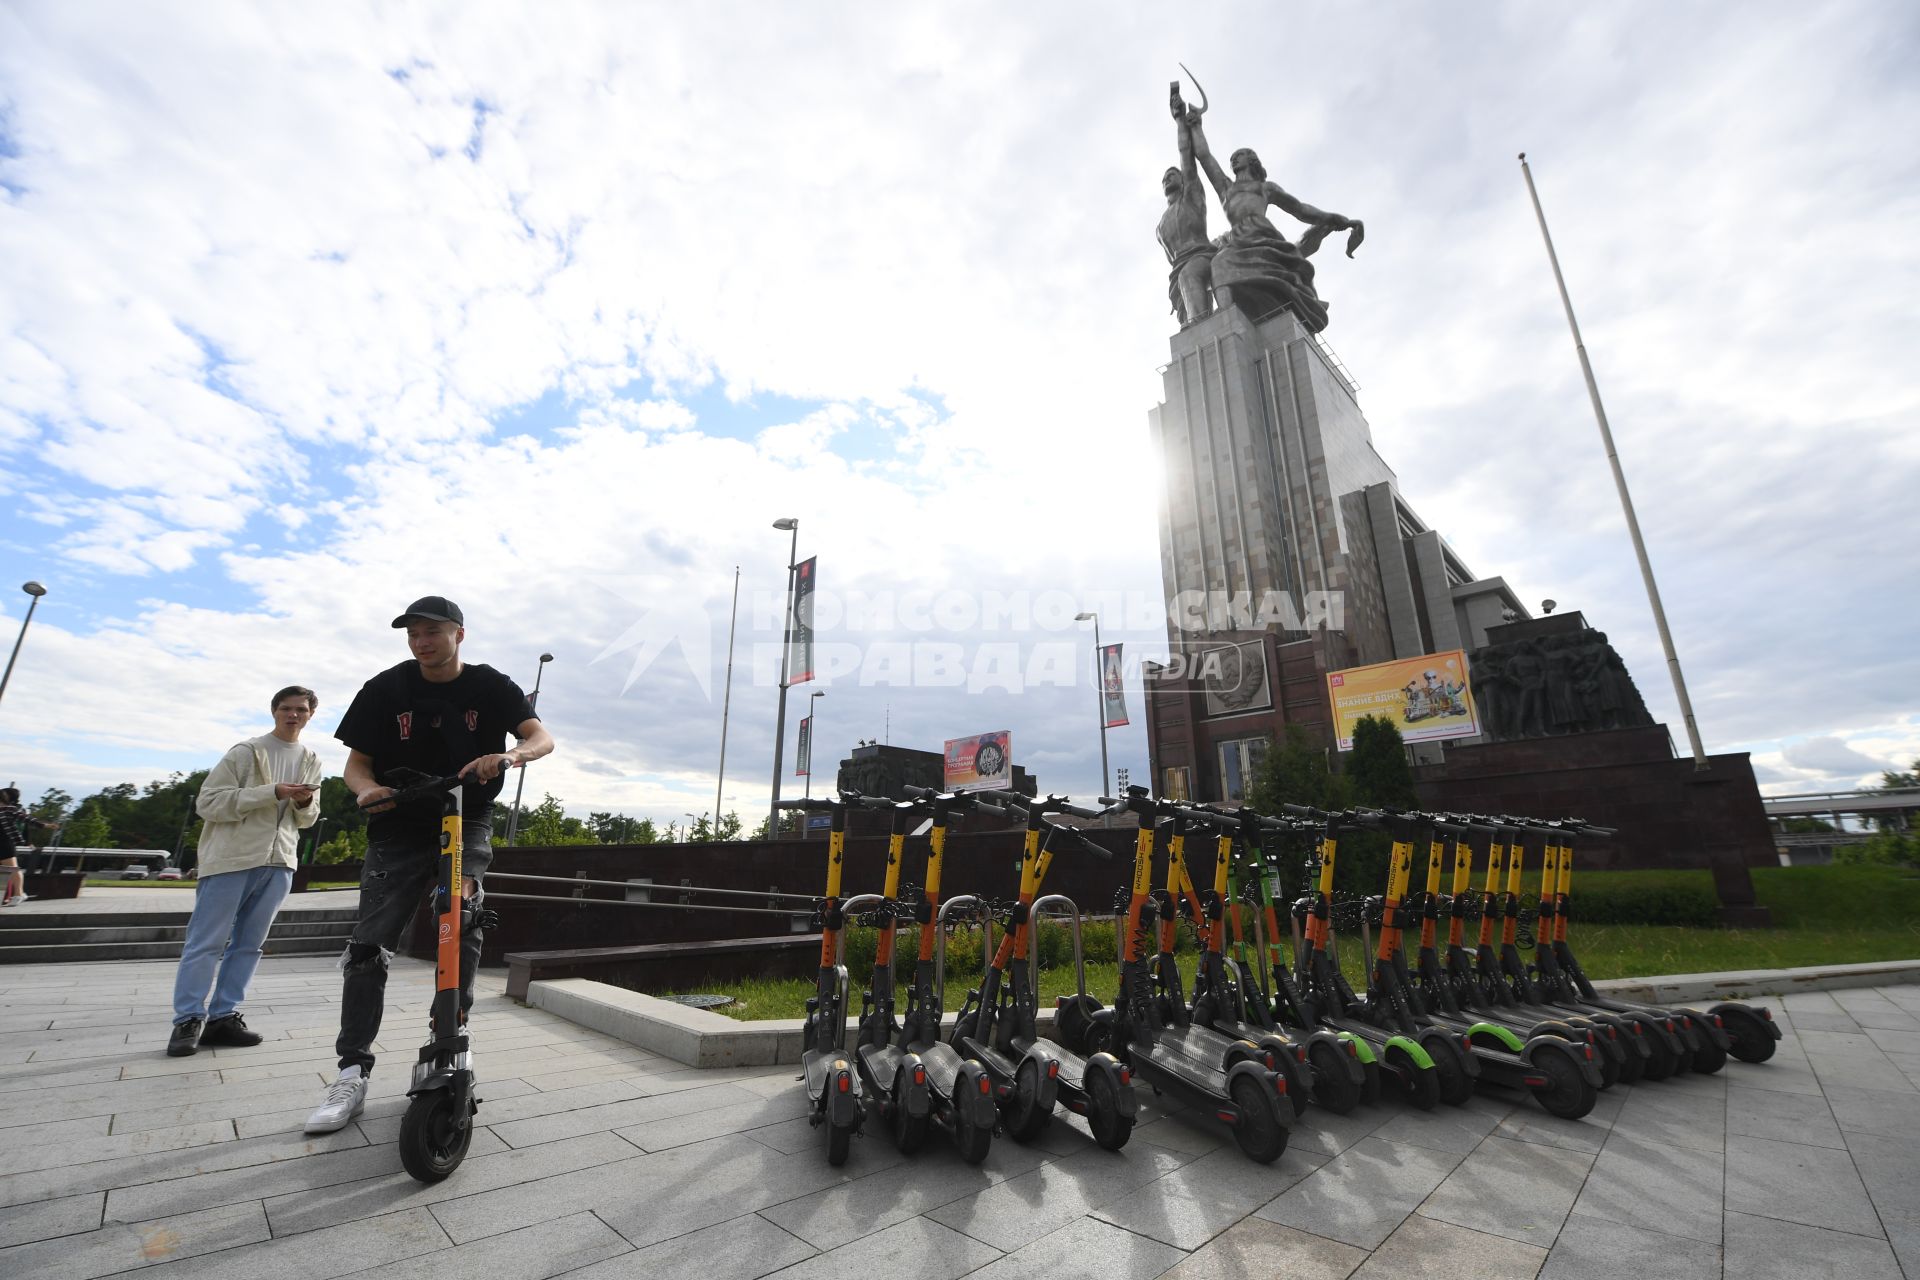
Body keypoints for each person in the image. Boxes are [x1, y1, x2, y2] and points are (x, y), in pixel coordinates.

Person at [305, 596, 554, 1133]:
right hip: (397, 823)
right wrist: (368, 790)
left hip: (467, 816)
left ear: (458, 634)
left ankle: (449, 1041)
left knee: (458, 918)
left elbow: (540, 737)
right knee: (369, 945)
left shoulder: (490, 686)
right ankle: (352, 1070)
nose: (422, 641)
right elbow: (357, 766)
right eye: (413, 633)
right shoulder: (385, 688)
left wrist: (509, 756)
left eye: (432, 631)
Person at [166, 688, 324, 1055]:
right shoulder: (245, 752)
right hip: (231, 860)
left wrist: (303, 801)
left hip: (280, 862)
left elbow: (309, 819)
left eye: (301, 709)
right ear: (273, 711)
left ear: (311, 714)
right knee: (206, 943)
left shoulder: (312, 759)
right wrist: (271, 792)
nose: (293, 715)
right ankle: (187, 1019)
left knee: (250, 946)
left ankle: (223, 1017)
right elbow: (208, 803)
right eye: (286, 708)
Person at [1185, 113, 1363, 333]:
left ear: (1251, 160)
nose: (1234, 159)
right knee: (1220, 262)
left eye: (1239, 155)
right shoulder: (1226, 189)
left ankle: (1233, 317)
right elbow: (1204, 156)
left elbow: (1300, 209)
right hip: (1239, 239)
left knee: (1223, 261)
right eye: (1232, 157)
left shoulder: (1265, 188)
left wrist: (1331, 218)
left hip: (1262, 237)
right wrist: (1196, 126)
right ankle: (1226, 318)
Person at [1, 787, 44, 907]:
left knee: (12, 869)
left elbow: (24, 825)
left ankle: (16, 894)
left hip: (7, 842)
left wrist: (27, 841)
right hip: (7, 841)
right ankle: (14, 894)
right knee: (10, 870)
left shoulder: (14, 809)